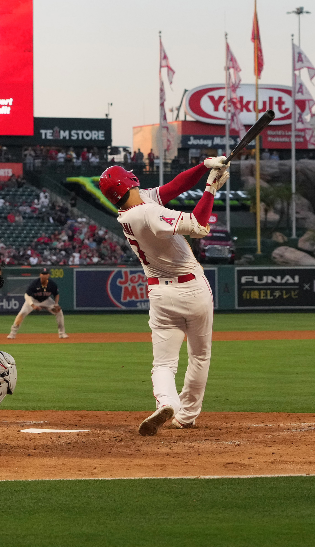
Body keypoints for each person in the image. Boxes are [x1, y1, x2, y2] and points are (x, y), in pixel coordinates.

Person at [98, 156, 229, 435]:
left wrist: (204, 166)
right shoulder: (147, 213)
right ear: (129, 181)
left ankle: (167, 403)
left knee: (163, 363)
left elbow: (174, 187)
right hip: (193, 288)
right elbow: (199, 226)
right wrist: (210, 189)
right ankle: (187, 416)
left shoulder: (134, 208)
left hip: (160, 293)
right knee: (199, 356)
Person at [7, 268, 67, 338]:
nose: (44, 275)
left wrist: (56, 304)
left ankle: (62, 333)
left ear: (48, 275)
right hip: (33, 300)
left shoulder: (52, 284)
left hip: (46, 300)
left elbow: (56, 294)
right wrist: (33, 305)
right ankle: (12, 333)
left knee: (59, 312)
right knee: (22, 313)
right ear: (40, 275)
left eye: (46, 274)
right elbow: (27, 295)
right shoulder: (35, 283)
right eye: (43, 274)